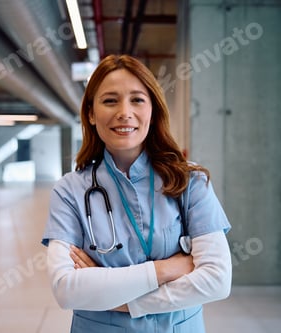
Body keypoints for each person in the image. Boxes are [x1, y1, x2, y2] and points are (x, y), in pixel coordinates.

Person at [41, 54, 231, 333]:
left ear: (152, 109)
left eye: (137, 100)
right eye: (110, 100)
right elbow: (66, 290)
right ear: (91, 113)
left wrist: (124, 302)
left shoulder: (190, 181)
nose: (124, 112)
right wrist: (167, 269)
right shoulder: (70, 191)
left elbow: (217, 280)